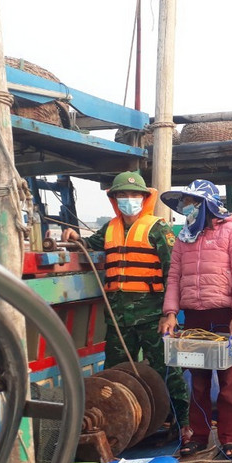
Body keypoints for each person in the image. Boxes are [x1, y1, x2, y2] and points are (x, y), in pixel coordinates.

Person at [61, 171, 189, 427]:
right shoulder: (110, 228)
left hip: (153, 317)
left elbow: (173, 273)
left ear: (144, 198)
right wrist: (75, 238)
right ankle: (120, 425)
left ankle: (182, 423)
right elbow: (90, 243)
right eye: (122, 195)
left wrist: (169, 314)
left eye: (133, 194)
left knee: (167, 368)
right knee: (115, 370)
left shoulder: (158, 228)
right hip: (118, 318)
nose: (128, 199)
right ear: (115, 199)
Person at [158, 179, 232, 459]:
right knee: (197, 382)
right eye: (184, 202)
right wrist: (171, 313)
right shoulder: (183, 238)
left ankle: (228, 438)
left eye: (190, 202)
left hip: (225, 317)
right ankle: (199, 437)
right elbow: (174, 278)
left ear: (206, 205)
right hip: (194, 318)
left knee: (228, 382)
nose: (185, 207)